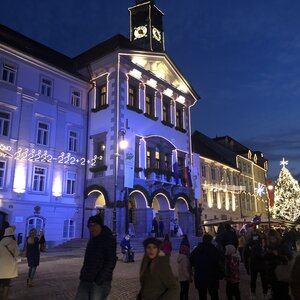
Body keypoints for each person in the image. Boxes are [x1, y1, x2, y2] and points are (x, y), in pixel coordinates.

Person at [75, 214, 117, 300]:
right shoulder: (92, 240)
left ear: (100, 226)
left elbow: (111, 261)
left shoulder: (108, 239)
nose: (92, 228)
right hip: (86, 279)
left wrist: (100, 278)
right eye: (90, 226)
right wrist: (83, 274)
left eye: (95, 225)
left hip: (100, 281)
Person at [190, 233, 221, 300]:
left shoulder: (197, 249)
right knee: (214, 295)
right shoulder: (213, 249)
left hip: (200, 276)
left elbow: (191, 261)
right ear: (210, 240)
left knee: (202, 296)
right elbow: (219, 261)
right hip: (212, 277)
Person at [264, 229, 292, 300]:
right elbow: (267, 261)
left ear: (277, 237)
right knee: (275, 294)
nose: (271, 241)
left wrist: (278, 255)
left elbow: (289, 258)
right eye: (270, 239)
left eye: (273, 239)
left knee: (284, 294)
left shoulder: (283, 245)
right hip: (272, 274)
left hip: (282, 274)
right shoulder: (269, 246)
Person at [244, 228, 268, 300]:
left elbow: (245, 256)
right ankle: (265, 294)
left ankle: (253, 294)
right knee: (263, 280)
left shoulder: (249, 243)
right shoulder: (263, 242)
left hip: (254, 264)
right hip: (262, 264)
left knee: (253, 280)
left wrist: (247, 268)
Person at [0, 226, 19, 300]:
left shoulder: (0, 242)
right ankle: (4, 298)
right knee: (6, 284)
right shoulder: (13, 242)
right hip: (9, 267)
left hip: (0, 266)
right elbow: (17, 254)